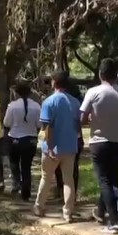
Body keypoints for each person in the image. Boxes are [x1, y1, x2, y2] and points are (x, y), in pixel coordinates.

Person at [81, 58, 118, 234]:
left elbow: (82, 117)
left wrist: (91, 119)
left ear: (100, 74)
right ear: (116, 75)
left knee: (104, 181)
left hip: (98, 142)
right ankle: (101, 212)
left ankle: (114, 222)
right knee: (112, 177)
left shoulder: (93, 92)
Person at [33, 71, 82, 222]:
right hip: (70, 146)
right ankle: (68, 212)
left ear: (54, 82)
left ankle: (39, 206)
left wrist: (50, 146)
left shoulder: (49, 102)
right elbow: (78, 124)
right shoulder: (75, 102)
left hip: (53, 148)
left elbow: (46, 126)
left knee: (46, 178)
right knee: (69, 180)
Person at [3, 81, 40, 202]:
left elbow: (6, 123)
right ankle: (26, 191)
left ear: (16, 93)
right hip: (30, 140)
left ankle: (16, 183)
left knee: (14, 163)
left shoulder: (12, 106)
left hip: (15, 139)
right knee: (26, 166)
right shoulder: (36, 106)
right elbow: (39, 124)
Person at [55, 78, 84, 202]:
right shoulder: (78, 103)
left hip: (60, 139)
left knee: (58, 167)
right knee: (73, 168)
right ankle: (73, 194)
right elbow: (81, 121)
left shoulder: (58, 101)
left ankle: (61, 191)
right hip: (76, 138)